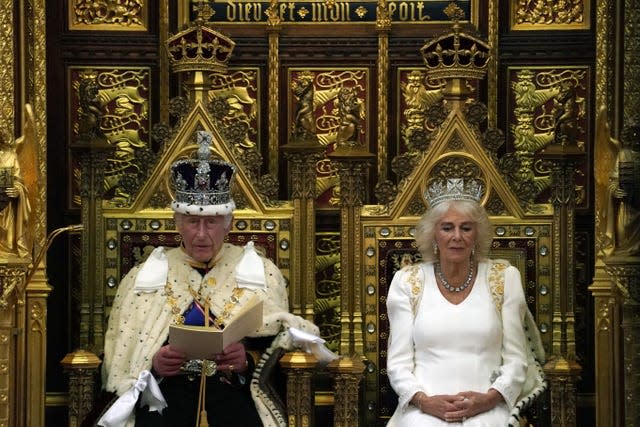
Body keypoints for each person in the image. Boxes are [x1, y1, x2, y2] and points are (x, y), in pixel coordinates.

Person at [98, 131, 319, 427]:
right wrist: (154, 364)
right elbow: (124, 354)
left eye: (211, 222)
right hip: (166, 396)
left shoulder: (259, 272)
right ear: (178, 222)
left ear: (228, 224)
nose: (201, 234)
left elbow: (281, 343)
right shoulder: (146, 275)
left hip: (233, 397)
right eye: (193, 222)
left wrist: (248, 361)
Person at [386, 178, 532, 426]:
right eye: (447, 228)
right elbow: (398, 363)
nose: (457, 237)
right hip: (423, 409)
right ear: (433, 234)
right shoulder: (407, 281)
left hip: (488, 406)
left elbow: (517, 360)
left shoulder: (504, 278)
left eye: (466, 228)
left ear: (477, 235)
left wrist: (490, 399)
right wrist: (423, 401)